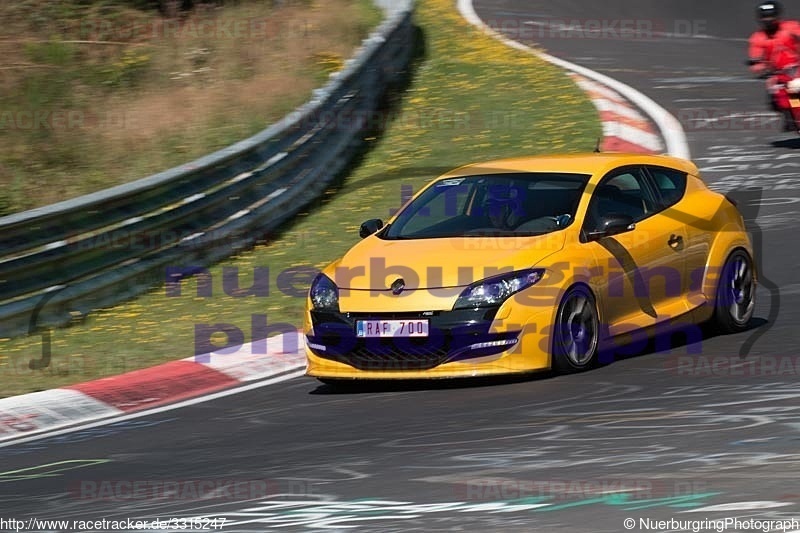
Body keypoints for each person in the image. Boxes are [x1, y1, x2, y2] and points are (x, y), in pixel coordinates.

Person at [748, 1, 800, 130]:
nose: (768, 20)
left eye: (771, 16)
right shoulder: (757, 37)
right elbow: (755, 59)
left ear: (777, 16)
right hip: (779, 73)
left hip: (798, 67)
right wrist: (758, 65)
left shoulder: (791, 27)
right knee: (775, 98)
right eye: (765, 17)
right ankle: (791, 117)